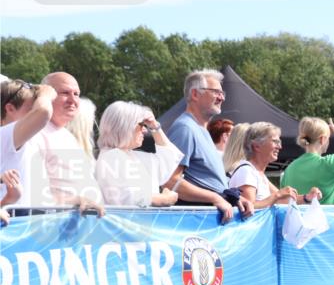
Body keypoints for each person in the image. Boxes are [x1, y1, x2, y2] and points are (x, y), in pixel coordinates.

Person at [165, 69, 252, 222]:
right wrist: (215, 198)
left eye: (222, 93)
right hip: (196, 223)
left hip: (209, 222)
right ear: (195, 94)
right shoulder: (185, 128)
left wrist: (234, 199)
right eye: (216, 92)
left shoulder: (200, 130)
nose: (222, 98)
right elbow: (170, 181)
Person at [19, 72, 104, 214]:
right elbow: (33, 193)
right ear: (46, 96)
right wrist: (76, 201)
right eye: (65, 93)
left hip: (82, 227)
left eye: (76, 94)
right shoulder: (34, 133)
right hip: (52, 227)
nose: (73, 100)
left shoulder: (66, 135)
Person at [95, 101, 183, 207]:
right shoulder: (111, 157)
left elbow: (168, 156)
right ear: (125, 126)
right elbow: (128, 198)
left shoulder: (131, 156)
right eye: (141, 125)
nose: (145, 130)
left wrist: (155, 127)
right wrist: (164, 199)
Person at [229, 122, 317, 209]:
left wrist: (307, 197)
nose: (280, 147)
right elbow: (249, 208)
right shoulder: (247, 171)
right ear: (257, 146)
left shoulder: (257, 173)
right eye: (275, 142)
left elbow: (282, 200)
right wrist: (277, 195)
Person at [1, 80, 55, 208]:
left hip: (27, 223)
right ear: (10, 108)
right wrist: (46, 95)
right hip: (13, 224)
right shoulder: (4, 135)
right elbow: (44, 112)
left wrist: (76, 201)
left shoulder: (29, 142)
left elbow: (41, 195)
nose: (34, 114)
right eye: (31, 109)